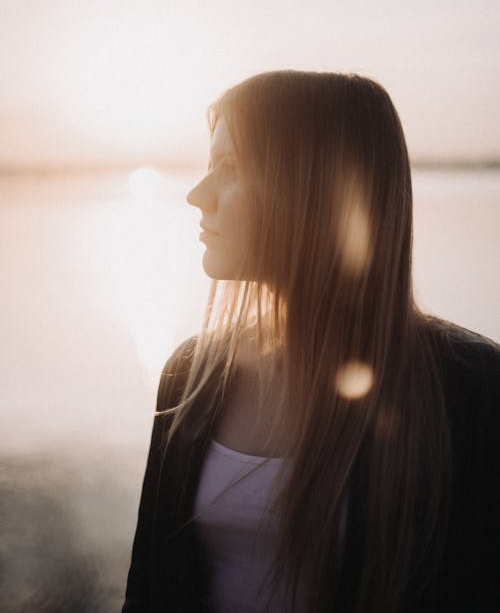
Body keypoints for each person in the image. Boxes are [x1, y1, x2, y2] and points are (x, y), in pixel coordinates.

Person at [122, 71, 500, 613]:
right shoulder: (192, 374)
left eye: (230, 168)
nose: (196, 195)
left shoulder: (471, 388)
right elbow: (148, 590)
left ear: (313, 190)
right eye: (209, 166)